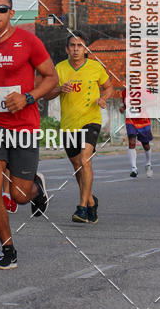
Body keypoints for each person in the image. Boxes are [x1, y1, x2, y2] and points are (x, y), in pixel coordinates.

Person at [0, 0, 58, 269]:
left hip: (24, 124)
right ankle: (7, 250)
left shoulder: (28, 41)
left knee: (19, 194)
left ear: (10, 12)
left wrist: (28, 97)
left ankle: (36, 189)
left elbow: (51, 77)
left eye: (1, 9)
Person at [48, 32, 113, 224]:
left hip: (90, 119)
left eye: (80, 45)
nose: (76, 49)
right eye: (72, 46)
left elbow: (109, 87)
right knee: (77, 166)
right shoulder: (59, 68)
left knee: (85, 160)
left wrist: (103, 98)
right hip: (68, 124)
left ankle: (82, 208)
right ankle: (91, 201)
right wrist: (59, 89)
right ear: (67, 49)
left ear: (86, 49)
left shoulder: (95, 67)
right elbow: (46, 94)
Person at [120, 87, 153, 177]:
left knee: (145, 144)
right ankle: (134, 169)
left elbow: (152, 101)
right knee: (131, 142)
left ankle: (148, 163)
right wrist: (122, 108)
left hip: (143, 121)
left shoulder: (144, 91)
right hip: (131, 121)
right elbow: (125, 105)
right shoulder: (124, 92)